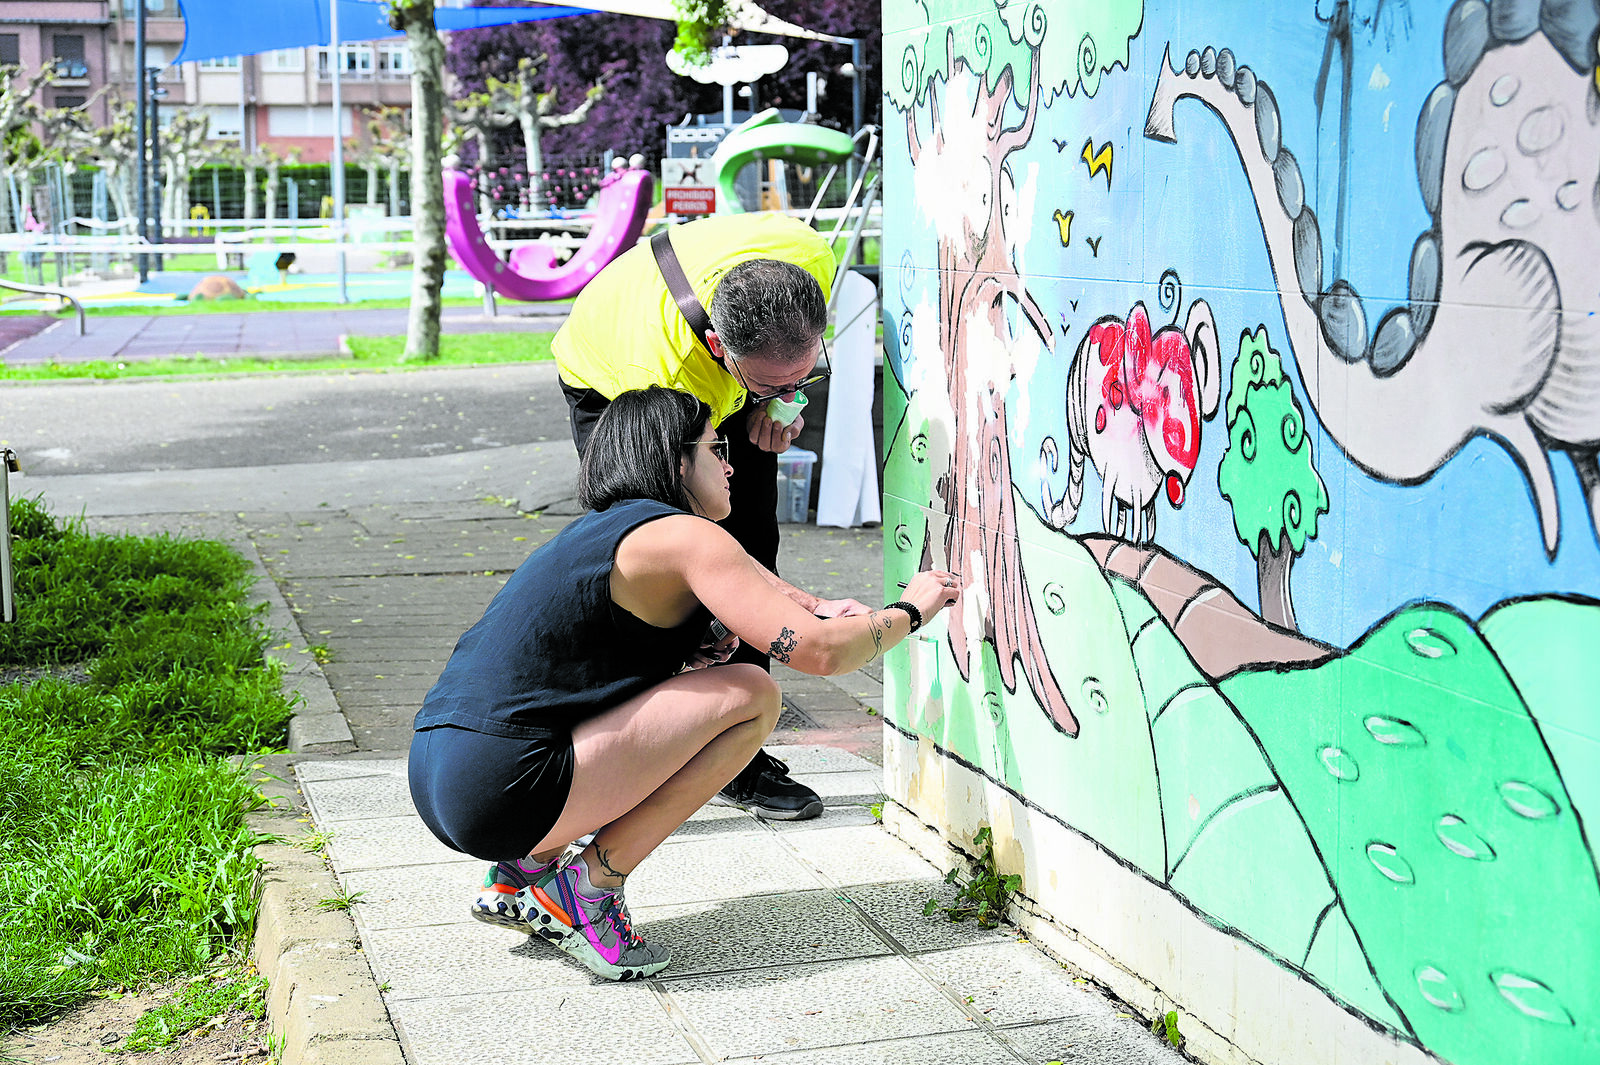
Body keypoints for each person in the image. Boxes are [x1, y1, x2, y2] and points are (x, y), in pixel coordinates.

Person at [408, 387, 958, 981]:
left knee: (699, 682)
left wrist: (808, 606)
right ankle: (590, 889)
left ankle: (522, 871)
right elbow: (818, 653)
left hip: (442, 771)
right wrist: (912, 609)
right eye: (714, 447)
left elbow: (759, 591)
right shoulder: (685, 535)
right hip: (502, 787)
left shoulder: (603, 532)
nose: (729, 463)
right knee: (751, 695)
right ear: (674, 462)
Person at [552, 210, 852, 823]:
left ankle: (738, 755)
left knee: (754, 536)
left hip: (725, 371)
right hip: (613, 381)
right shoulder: (657, 372)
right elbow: (692, 542)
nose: (793, 388)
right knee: (658, 573)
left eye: (806, 370)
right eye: (776, 381)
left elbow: (778, 374)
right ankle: (636, 749)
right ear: (720, 349)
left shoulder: (807, 253)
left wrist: (786, 399)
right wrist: (795, 607)